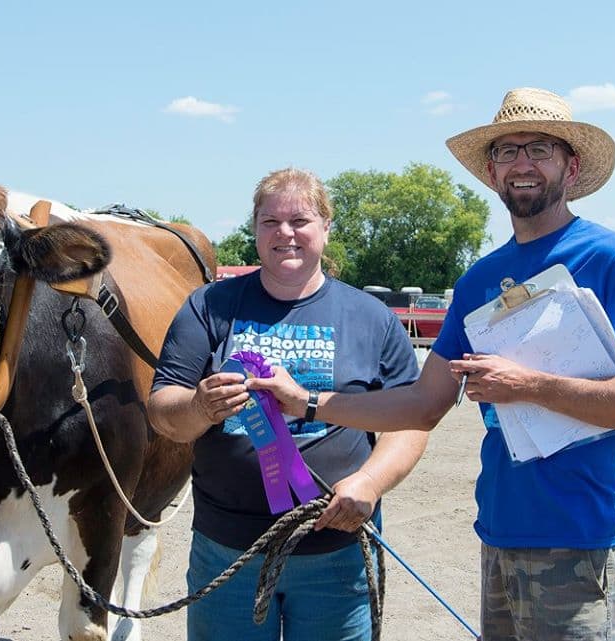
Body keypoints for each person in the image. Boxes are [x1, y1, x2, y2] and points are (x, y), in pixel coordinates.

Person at [249, 88, 615, 641]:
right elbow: (423, 403)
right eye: (507, 151)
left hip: (582, 540)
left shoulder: (611, 258)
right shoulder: (479, 279)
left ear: (571, 166)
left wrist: (529, 385)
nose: (522, 164)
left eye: (540, 149)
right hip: (500, 533)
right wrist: (309, 401)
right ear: (492, 170)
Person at [148, 167, 429, 641]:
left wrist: (369, 481)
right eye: (270, 222)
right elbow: (162, 411)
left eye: (299, 220)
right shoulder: (209, 306)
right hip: (228, 549)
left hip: (336, 552)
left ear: (326, 227)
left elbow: (412, 420)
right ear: (254, 229)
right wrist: (198, 407)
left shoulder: (371, 317)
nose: (285, 234)